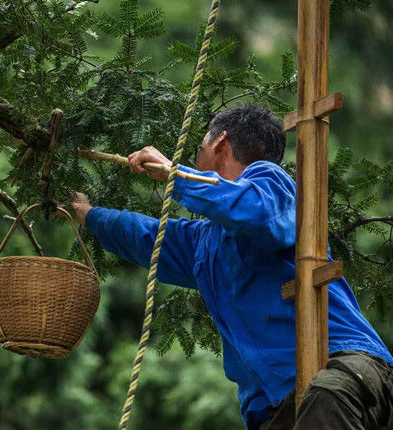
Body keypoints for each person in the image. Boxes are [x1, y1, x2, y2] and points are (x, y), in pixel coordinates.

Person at [69, 104, 393, 429]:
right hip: (277, 407)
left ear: (221, 143)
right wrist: (88, 214)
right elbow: (147, 236)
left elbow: (255, 213)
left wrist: (178, 176)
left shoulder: (272, 184)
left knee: (323, 395)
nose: (195, 157)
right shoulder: (206, 242)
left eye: (200, 148)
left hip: (342, 369)